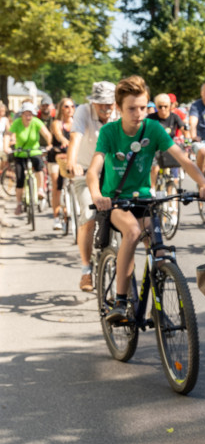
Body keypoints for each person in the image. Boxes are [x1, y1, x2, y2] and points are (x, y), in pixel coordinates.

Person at [86, 76, 205, 324]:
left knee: (160, 252)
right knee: (132, 232)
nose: (138, 113)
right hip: (116, 201)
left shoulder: (153, 129)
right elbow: (93, 170)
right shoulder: (110, 132)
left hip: (145, 200)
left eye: (143, 108)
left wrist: (204, 183)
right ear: (119, 108)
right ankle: (121, 301)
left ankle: (156, 305)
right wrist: (97, 196)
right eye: (131, 108)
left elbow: (183, 159)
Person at [67, 81, 118, 292]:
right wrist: (72, 161)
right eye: (101, 105)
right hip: (86, 170)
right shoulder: (82, 111)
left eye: (110, 104)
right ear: (93, 103)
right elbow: (75, 137)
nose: (106, 109)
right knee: (89, 217)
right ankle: (86, 270)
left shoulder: (120, 113)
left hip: (114, 173)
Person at [5, 102, 52, 216]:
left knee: (39, 167)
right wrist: (6, 146)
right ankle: (19, 204)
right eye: (26, 114)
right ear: (21, 115)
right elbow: (8, 134)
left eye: (30, 114)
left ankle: (40, 189)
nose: (28, 117)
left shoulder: (36, 122)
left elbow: (47, 134)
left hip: (34, 151)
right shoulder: (17, 123)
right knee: (20, 178)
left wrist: (49, 144)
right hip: (20, 152)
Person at [147, 93, 186, 193]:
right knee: (155, 167)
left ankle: (172, 200)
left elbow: (184, 129)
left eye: (166, 106)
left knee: (173, 176)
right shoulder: (150, 118)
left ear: (170, 106)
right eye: (160, 106)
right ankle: (152, 189)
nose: (163, 109)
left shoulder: (175, 117)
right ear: (156, 107)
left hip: (170, 148)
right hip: (155, 147)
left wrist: (187, 140)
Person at [47, 98, 76, 230]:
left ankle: (74, 209)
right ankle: (56, 217)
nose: (70, 109)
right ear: (61, 108)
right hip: (56, 157)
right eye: (66, 106)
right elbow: (59, 135)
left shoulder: (76, 123)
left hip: (70, 157)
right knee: (56, 185)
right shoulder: (57, 123)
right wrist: (65, 140)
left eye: (72, 106)